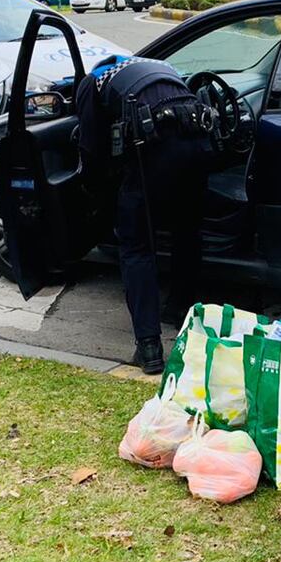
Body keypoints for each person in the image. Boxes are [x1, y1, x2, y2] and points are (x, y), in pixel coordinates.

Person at [76, 57, 212, 374]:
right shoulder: (156, 65)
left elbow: (90, 146)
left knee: (137, 246)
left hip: (154, 146)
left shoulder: (92, 81)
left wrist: (95, 190)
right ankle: (180, 307)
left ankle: (149, 346)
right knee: (186, 230)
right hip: (198, 140)